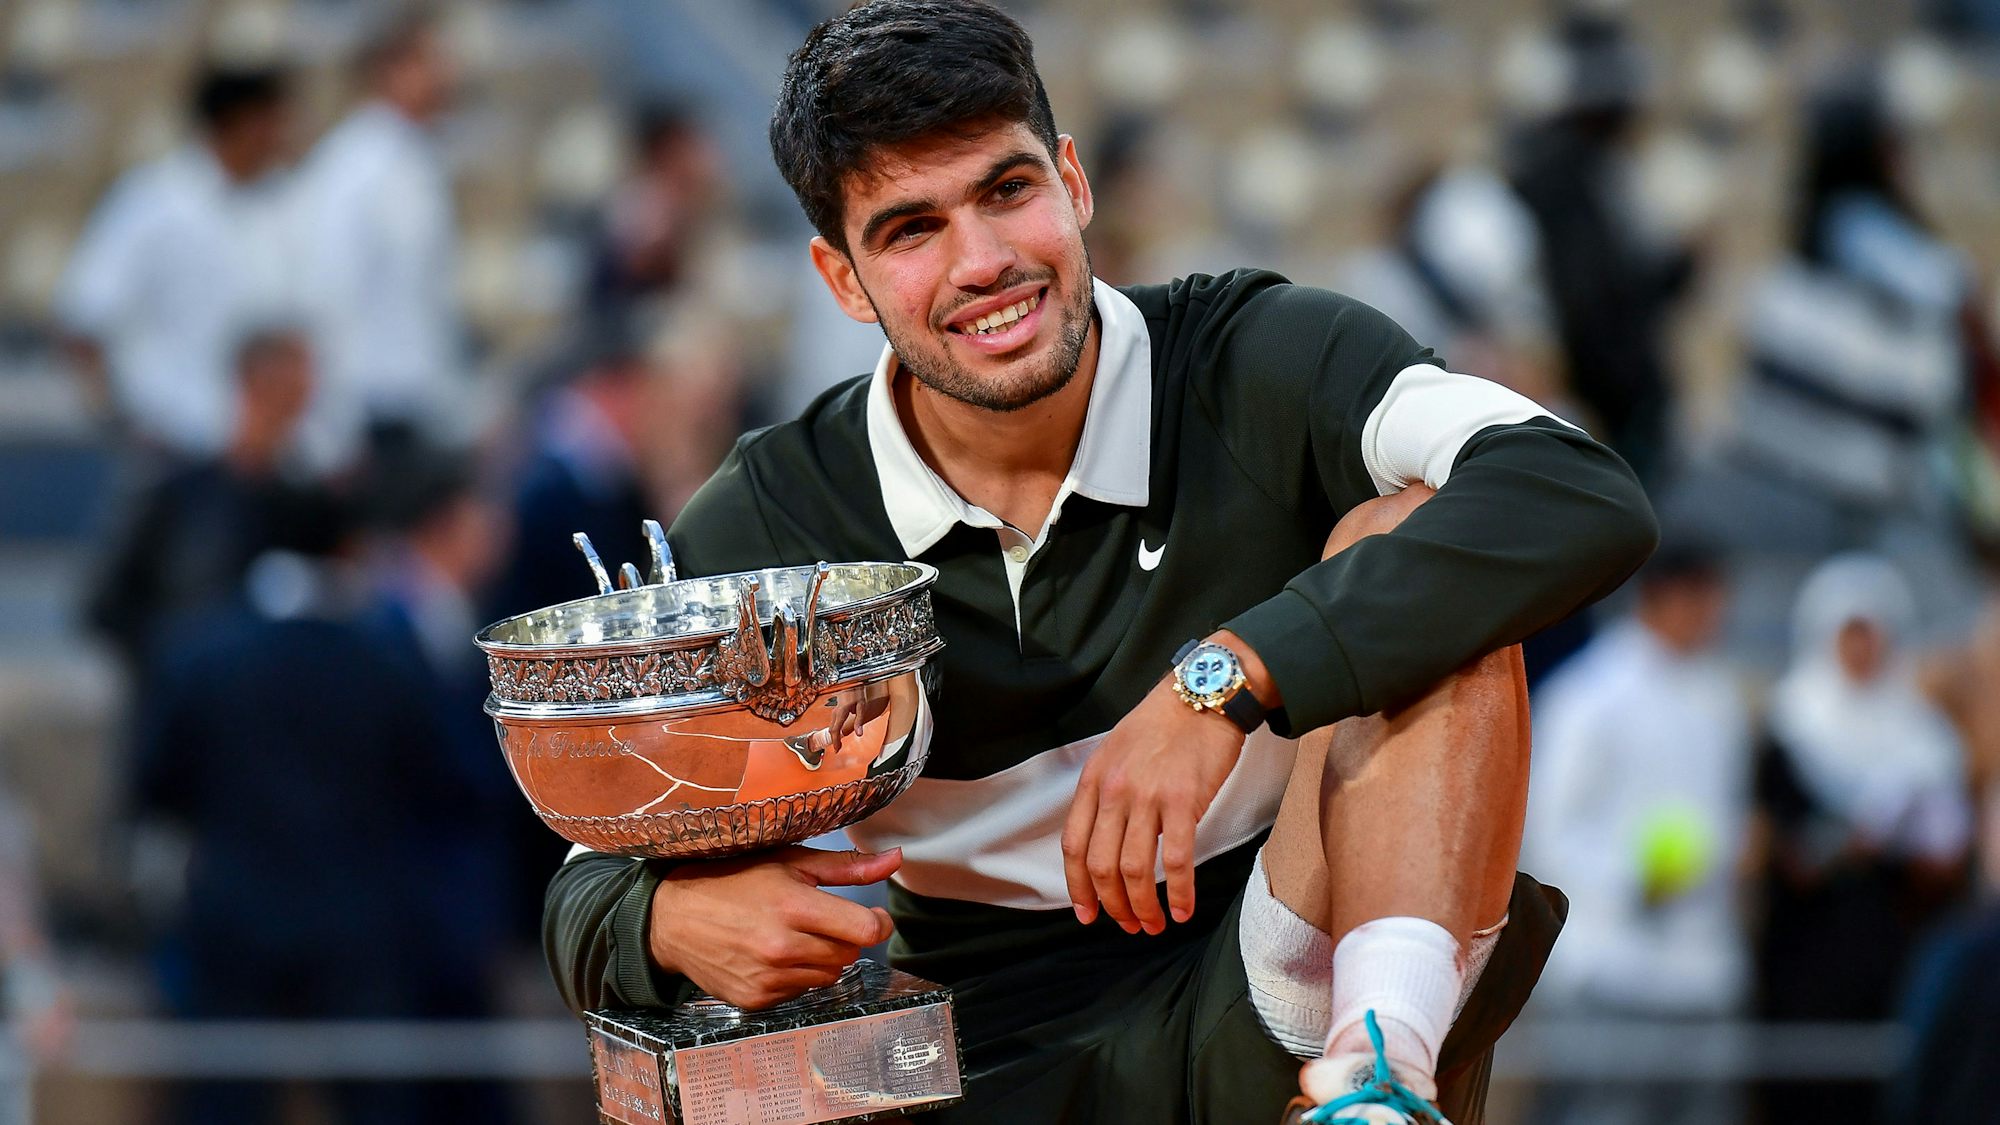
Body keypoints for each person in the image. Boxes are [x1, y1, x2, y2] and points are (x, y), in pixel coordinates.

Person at [544, 4, 1657, 1123]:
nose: (982, 262)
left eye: (1005, 189)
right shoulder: (772, 512)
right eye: (912, 229)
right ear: (844, 279)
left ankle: (1378, 1081)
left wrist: (1221, 679)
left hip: (1287, 974)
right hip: (964, 1062)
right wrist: (665, 921)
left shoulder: (1259, 357)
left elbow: (1575, 486)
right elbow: (587, 877)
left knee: (1415, 538)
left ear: (1071, 183)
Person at [1521, 543, 1753, 1125]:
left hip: (1703, 972)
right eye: (1698, 599)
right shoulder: (1588, 695)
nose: (1711, 615)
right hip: (1611, 970)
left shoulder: (1721, 698)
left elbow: (1723, 819)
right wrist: (1634, 882)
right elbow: (1549, 832)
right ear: (1659, 597)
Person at [1753, 553, 1973, 1120]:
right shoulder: (1790, 726)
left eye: (1873, 634)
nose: (1863, 650)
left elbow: (1947, 862)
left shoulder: (1923, 739)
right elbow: (1783, 849)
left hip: (1891, 955)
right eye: (1850, 634)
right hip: (1806, 962)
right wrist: (1846, 845)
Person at [57, 66, 299, 462]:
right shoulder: (155, 200)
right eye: (275, 122)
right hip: (170, 441)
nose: (284, 137)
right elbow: (85, 315)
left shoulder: (282, 202)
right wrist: (119, 419)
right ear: (240, 122)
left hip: (261, 449)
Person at [293, 7, 465, 469]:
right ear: (390, 69)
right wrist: (331, 427)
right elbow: (328, 292)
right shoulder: (353, 166)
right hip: (370, 411)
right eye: (431, 61)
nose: (446, 75)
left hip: (418, 404)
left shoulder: (418, 159)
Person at [86, 330, 317, 671]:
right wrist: (173, 662)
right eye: (283, 394)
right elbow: (109, 604)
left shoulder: (306, 504)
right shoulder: (178, 495)